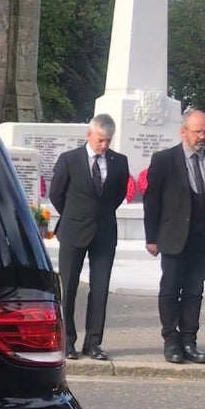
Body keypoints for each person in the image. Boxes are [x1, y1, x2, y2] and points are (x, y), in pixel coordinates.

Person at [143, 109, 205, 364]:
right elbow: (152, 200)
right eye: (197, 131)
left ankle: (190, 341)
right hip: (174, 236)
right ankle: (171, 341)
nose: (202, 136)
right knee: (170, 289)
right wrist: (152, 237)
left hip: (204, 238)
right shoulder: (165, 160)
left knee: (194, 290)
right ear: (183, 132)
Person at [50, 114, 129, 361]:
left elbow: (118, 195)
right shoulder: (69, 160)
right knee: (69, 287)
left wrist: (99, 215)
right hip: (74, 230)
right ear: (89, 135)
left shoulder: (119, 162)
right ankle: (67, 341)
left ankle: (93, 342)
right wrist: (75, 216)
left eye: (108, 141)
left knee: (100, 288)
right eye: (100, 140)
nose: (104, 145)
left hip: (104, 232)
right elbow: (56, 194)